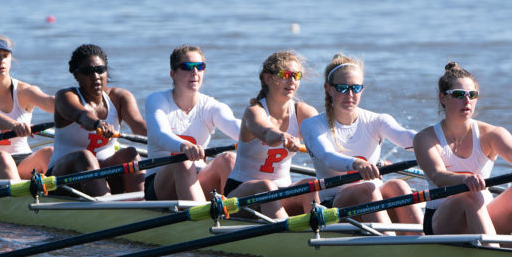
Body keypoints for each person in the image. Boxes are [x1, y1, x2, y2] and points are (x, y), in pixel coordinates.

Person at [413, 62, 512, 250]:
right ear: (442, 98)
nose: (467, 101)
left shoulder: (490, 133)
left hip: (484, 214)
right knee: (470, 195)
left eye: (472, 95)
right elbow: (437, 176)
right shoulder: (426, 138)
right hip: (443, 222)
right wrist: (466, 179)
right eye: (458, 94)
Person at [299, 53, 422, 228]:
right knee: (367, 189)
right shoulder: (312, 125)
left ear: (362, 89)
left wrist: (435, 141)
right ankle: (388, 245)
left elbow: (406, 137)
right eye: (342, 88)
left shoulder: (377, 120)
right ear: (328, 88)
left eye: (356, 88)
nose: (350, 94)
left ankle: (423, 240)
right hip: (335, 205)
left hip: (374, 197)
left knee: (398, 186)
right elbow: (327, 156)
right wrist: (357, 164)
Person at [224, 51, 319, 219]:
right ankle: (288, 238)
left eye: (296, 76)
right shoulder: (254, 112)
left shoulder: (304, 112)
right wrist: (283, 137)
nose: (292, 81)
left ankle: (322, 232)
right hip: (241, 193)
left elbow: (327, 144)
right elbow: (267, 133)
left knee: (309, 185)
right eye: (285, 75)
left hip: (281, 192)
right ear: (267, 78)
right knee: (266, 187)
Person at [47, 44, 147, 197]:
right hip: (64, 177)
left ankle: (141, 205)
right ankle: (106, 207)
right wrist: (98, 124)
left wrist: (174, 141)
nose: (95, 77)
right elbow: (82, 116)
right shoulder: (65, 97)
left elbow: (139, 126)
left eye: (100, 70)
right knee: (85, 156)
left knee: (131, 154)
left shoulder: (120, 97)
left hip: (104, 171)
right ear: (76, 75)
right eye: (87, 72)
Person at [143, 45, 239, 202]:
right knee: (183, 160)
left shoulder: (211, 106)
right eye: (187, 67)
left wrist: (265, 135)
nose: (195, 72)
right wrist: (184, 146)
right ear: (173, 74)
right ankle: (201, 221)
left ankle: (238, 215)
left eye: (200, 67)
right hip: (160, 184)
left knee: (229, 158)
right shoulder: (157, 100)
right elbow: (161, 134)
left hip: (198, 177)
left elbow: (235, 126)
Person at [0, 35, 54, 180]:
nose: (1, 61)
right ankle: (21, 199)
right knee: (3, 158)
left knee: (49, 152)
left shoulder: (25, 91)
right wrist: (14, 125)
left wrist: (81, 107)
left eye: (5, 56)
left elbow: (50, 102)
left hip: (23, 160)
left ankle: (61, 197)